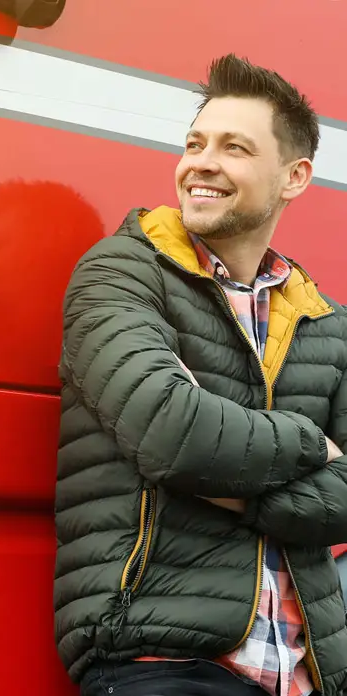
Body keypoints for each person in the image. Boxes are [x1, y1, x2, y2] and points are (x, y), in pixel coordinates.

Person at [54, 54, 347, 696]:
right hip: (162, 662)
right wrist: (308, 443)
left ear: (295, 176)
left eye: (234, 147)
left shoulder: (325, 321)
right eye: (195, 143)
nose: (201, 163)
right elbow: (170, 433)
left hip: (315, 676)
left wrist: (230, 480)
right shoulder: (121, 274)